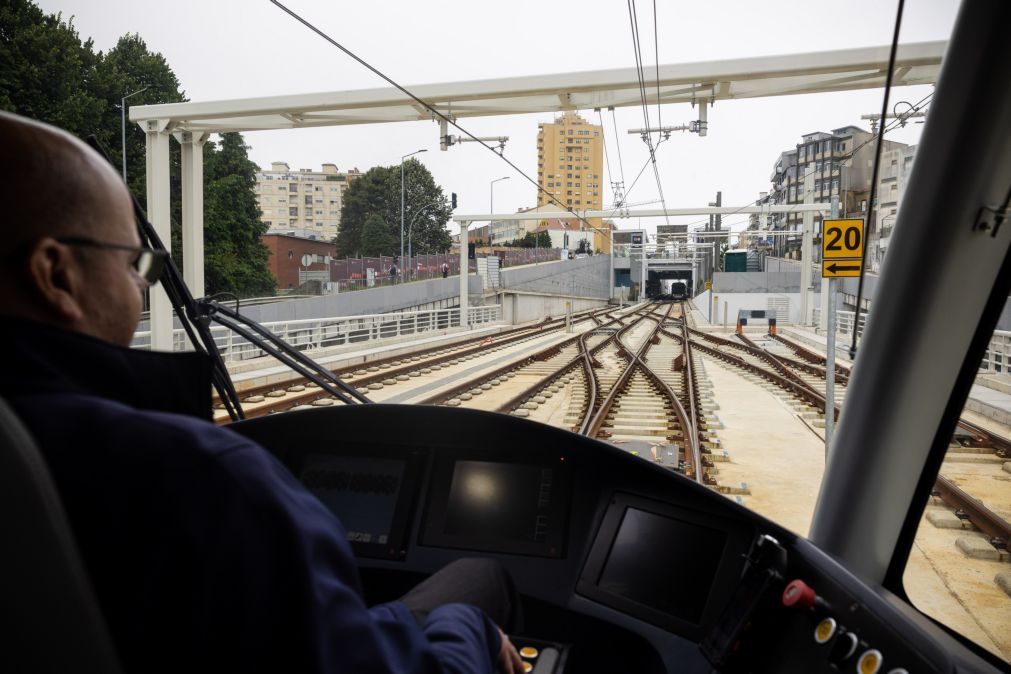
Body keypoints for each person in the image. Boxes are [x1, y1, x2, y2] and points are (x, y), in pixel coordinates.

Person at [0, 110, 524, 674]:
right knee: (481, 581)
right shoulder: (205, 482)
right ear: (56, 274)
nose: (142, 285)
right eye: (136, 263)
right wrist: (470, 628)